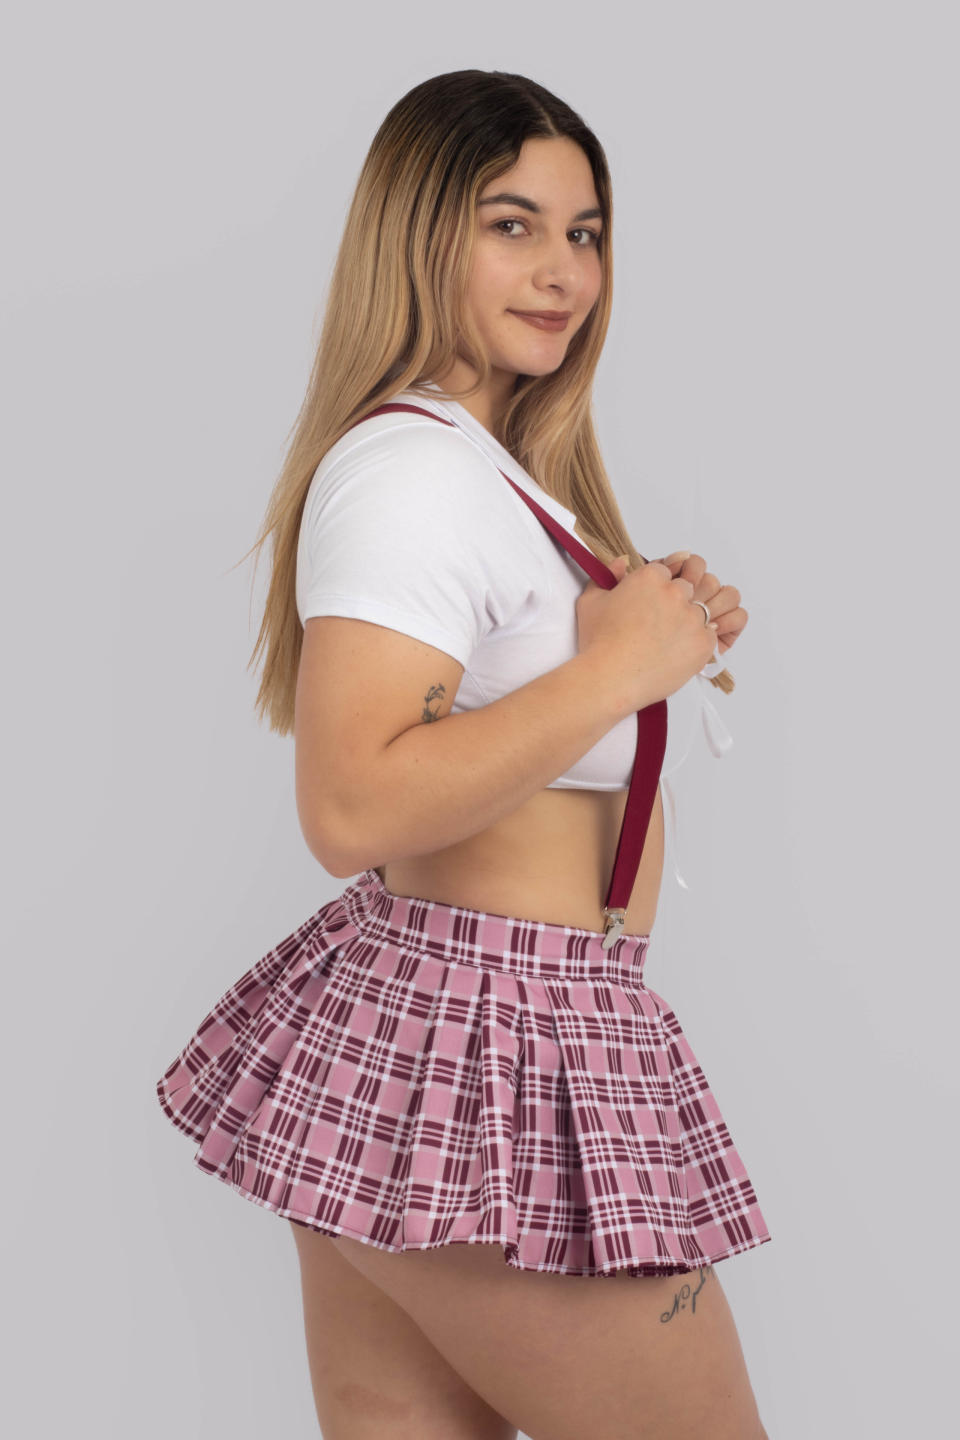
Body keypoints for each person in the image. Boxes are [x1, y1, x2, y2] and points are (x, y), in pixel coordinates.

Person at [156, 69, 772, 1440]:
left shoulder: (480, 469)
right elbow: (350, 804)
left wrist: (641, 633)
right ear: (420, 230)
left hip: (439, 1036)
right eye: (513, 225)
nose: (563, 273)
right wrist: (617, 670)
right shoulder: (412, 475)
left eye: (584, 233)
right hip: (504, 1055)